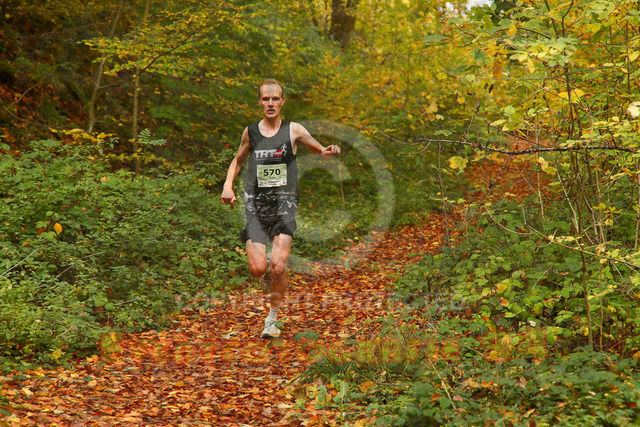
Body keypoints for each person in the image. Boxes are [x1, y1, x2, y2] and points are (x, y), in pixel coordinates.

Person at [221, 78, 341, 338]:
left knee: (278, 266)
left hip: (284, 204)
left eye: (275, 98)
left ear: (283, 101)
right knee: (257, 269)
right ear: (259, 102)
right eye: (266, 99)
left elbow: (318, 149)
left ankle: (271, 321)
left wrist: (327, 151)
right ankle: (265, 271)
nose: (271, 103)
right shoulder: (250, 132)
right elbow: (238, 160)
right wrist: (227, 185)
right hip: (256, 206)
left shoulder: (293, 130)